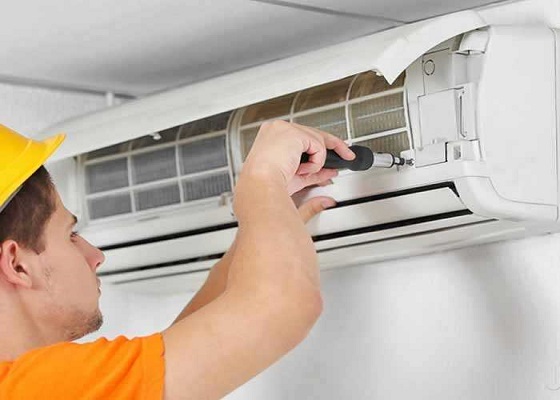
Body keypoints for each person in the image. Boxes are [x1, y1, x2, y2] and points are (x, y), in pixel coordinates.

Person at [0, 121, 355, 399]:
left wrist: (269, 216)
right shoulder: (37, 389)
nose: (96, 256)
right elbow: (282, 306)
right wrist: (262, 179)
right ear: (17, 264)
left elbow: (176, 364)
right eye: (71, 235)